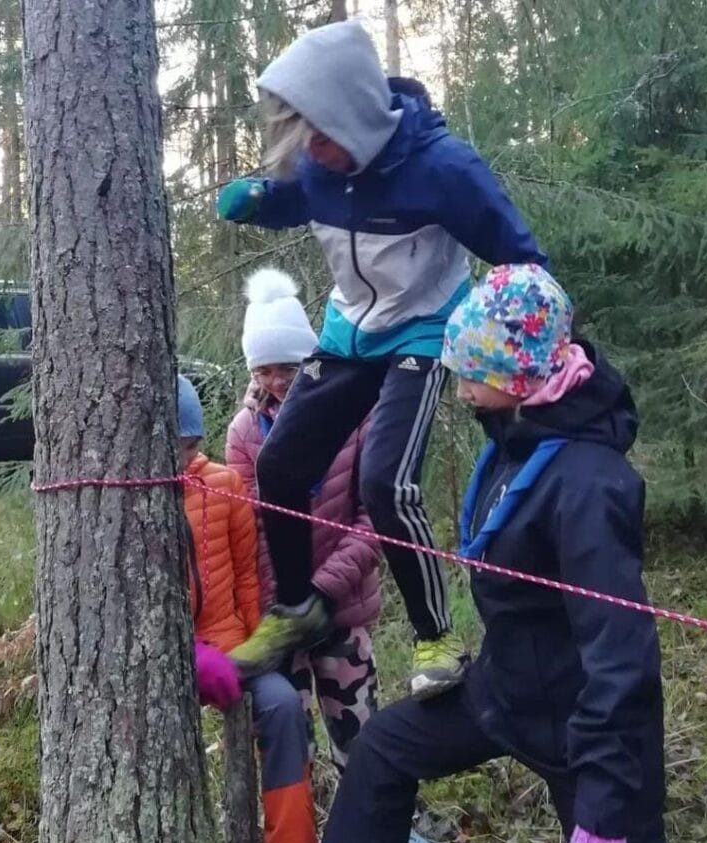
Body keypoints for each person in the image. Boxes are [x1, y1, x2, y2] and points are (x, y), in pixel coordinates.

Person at [234, 265, 707, 843]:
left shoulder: (590, 483)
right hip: (507, 692)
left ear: (518, 370)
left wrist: (603, 812)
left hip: (587, 728)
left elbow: (621, 662)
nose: (460, 388)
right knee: (383, 749)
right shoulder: (517, 434)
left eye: (473, 372)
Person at [217, 19, 547, 701]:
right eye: (304, 139)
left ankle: (435, 634)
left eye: (323, 135)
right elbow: (296, 197)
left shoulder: (442, 167)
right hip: (350, 332)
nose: (313, 151)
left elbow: (521, 258)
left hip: (423, 330)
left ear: (356, 117)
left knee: (383, 482)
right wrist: (259, 199)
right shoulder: (319, 165)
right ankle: (297, 612)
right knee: (280, 463)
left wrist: (530, 346)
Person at [225, 266, 444, 843]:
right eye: (265, 369)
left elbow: (379, 517)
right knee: (290, 731)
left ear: (313, 362)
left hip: (342, 608)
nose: (276, 380)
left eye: (288, 366)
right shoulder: (245, 435)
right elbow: (252, 525)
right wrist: (283, 603)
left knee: (361, 728)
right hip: (284, 615)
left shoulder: (361, 414)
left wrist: (324, 586)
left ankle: (390, 834)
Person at [178, 375, 318, 843]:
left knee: (284, 706)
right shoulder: (133, 496)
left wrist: (260, 647)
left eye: (189, 444)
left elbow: (248, 580)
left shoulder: (226, 486)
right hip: (175, 662)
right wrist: (191, 658)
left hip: (237, 651)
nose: (184, 456)